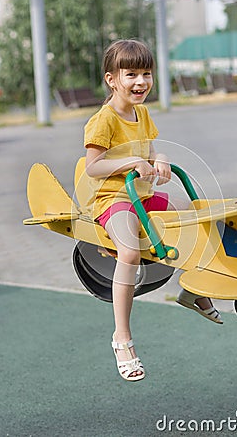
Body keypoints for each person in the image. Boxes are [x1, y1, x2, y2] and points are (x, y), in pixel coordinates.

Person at [84, 39, 222, 382]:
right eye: (131, 74)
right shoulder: (104, 120)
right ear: (111, 79)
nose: (141, 82)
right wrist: (131, 162)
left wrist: (158, 159)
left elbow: (152, 150)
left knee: (192, 221)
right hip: (115, 198)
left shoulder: (141, 113)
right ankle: (122, 338)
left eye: (146, 74)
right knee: (129, 252)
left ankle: (194, 291)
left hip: (142, 197)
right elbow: (93, 168)